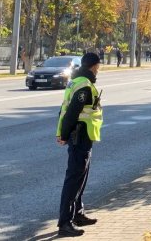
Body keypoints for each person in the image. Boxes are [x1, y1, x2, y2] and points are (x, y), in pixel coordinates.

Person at [55, 53, 104, 237]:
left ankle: (77, 213)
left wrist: (62, 132)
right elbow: (71, 112)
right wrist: (64, 135)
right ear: (93, 66)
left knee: (80, 178)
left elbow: (64, 108)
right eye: (98, 66)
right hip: (79, 136)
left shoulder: (77, 81)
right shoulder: (83, 85)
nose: (99, 70)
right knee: (74, 179)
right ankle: (65, 223)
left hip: (83, 136)